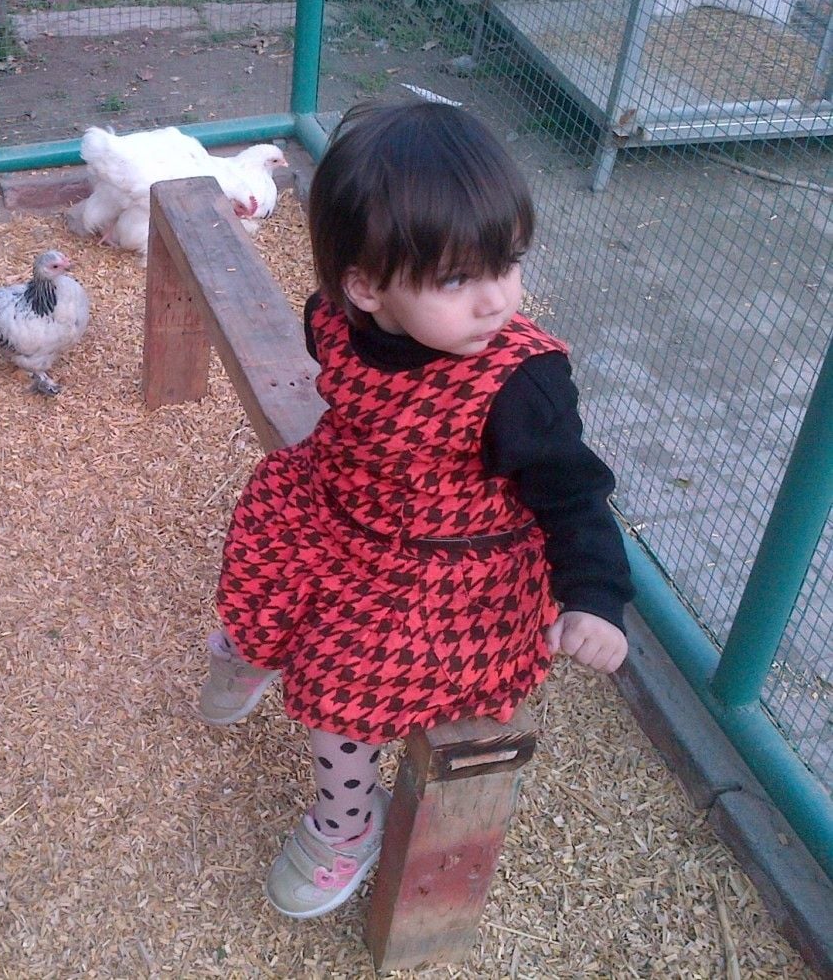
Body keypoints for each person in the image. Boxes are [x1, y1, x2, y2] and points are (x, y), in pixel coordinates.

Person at [197, 99, 631, 921]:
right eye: (457, 279)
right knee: (263, 542)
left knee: (347, 684)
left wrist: (596, 599)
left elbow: (574, 493)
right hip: (340, 504)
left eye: (507, 262)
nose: (497, 300)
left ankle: (346, 824)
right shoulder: (334, 319)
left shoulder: (519, 383)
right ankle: (254, 644)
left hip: (445, 570)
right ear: (365, 286)